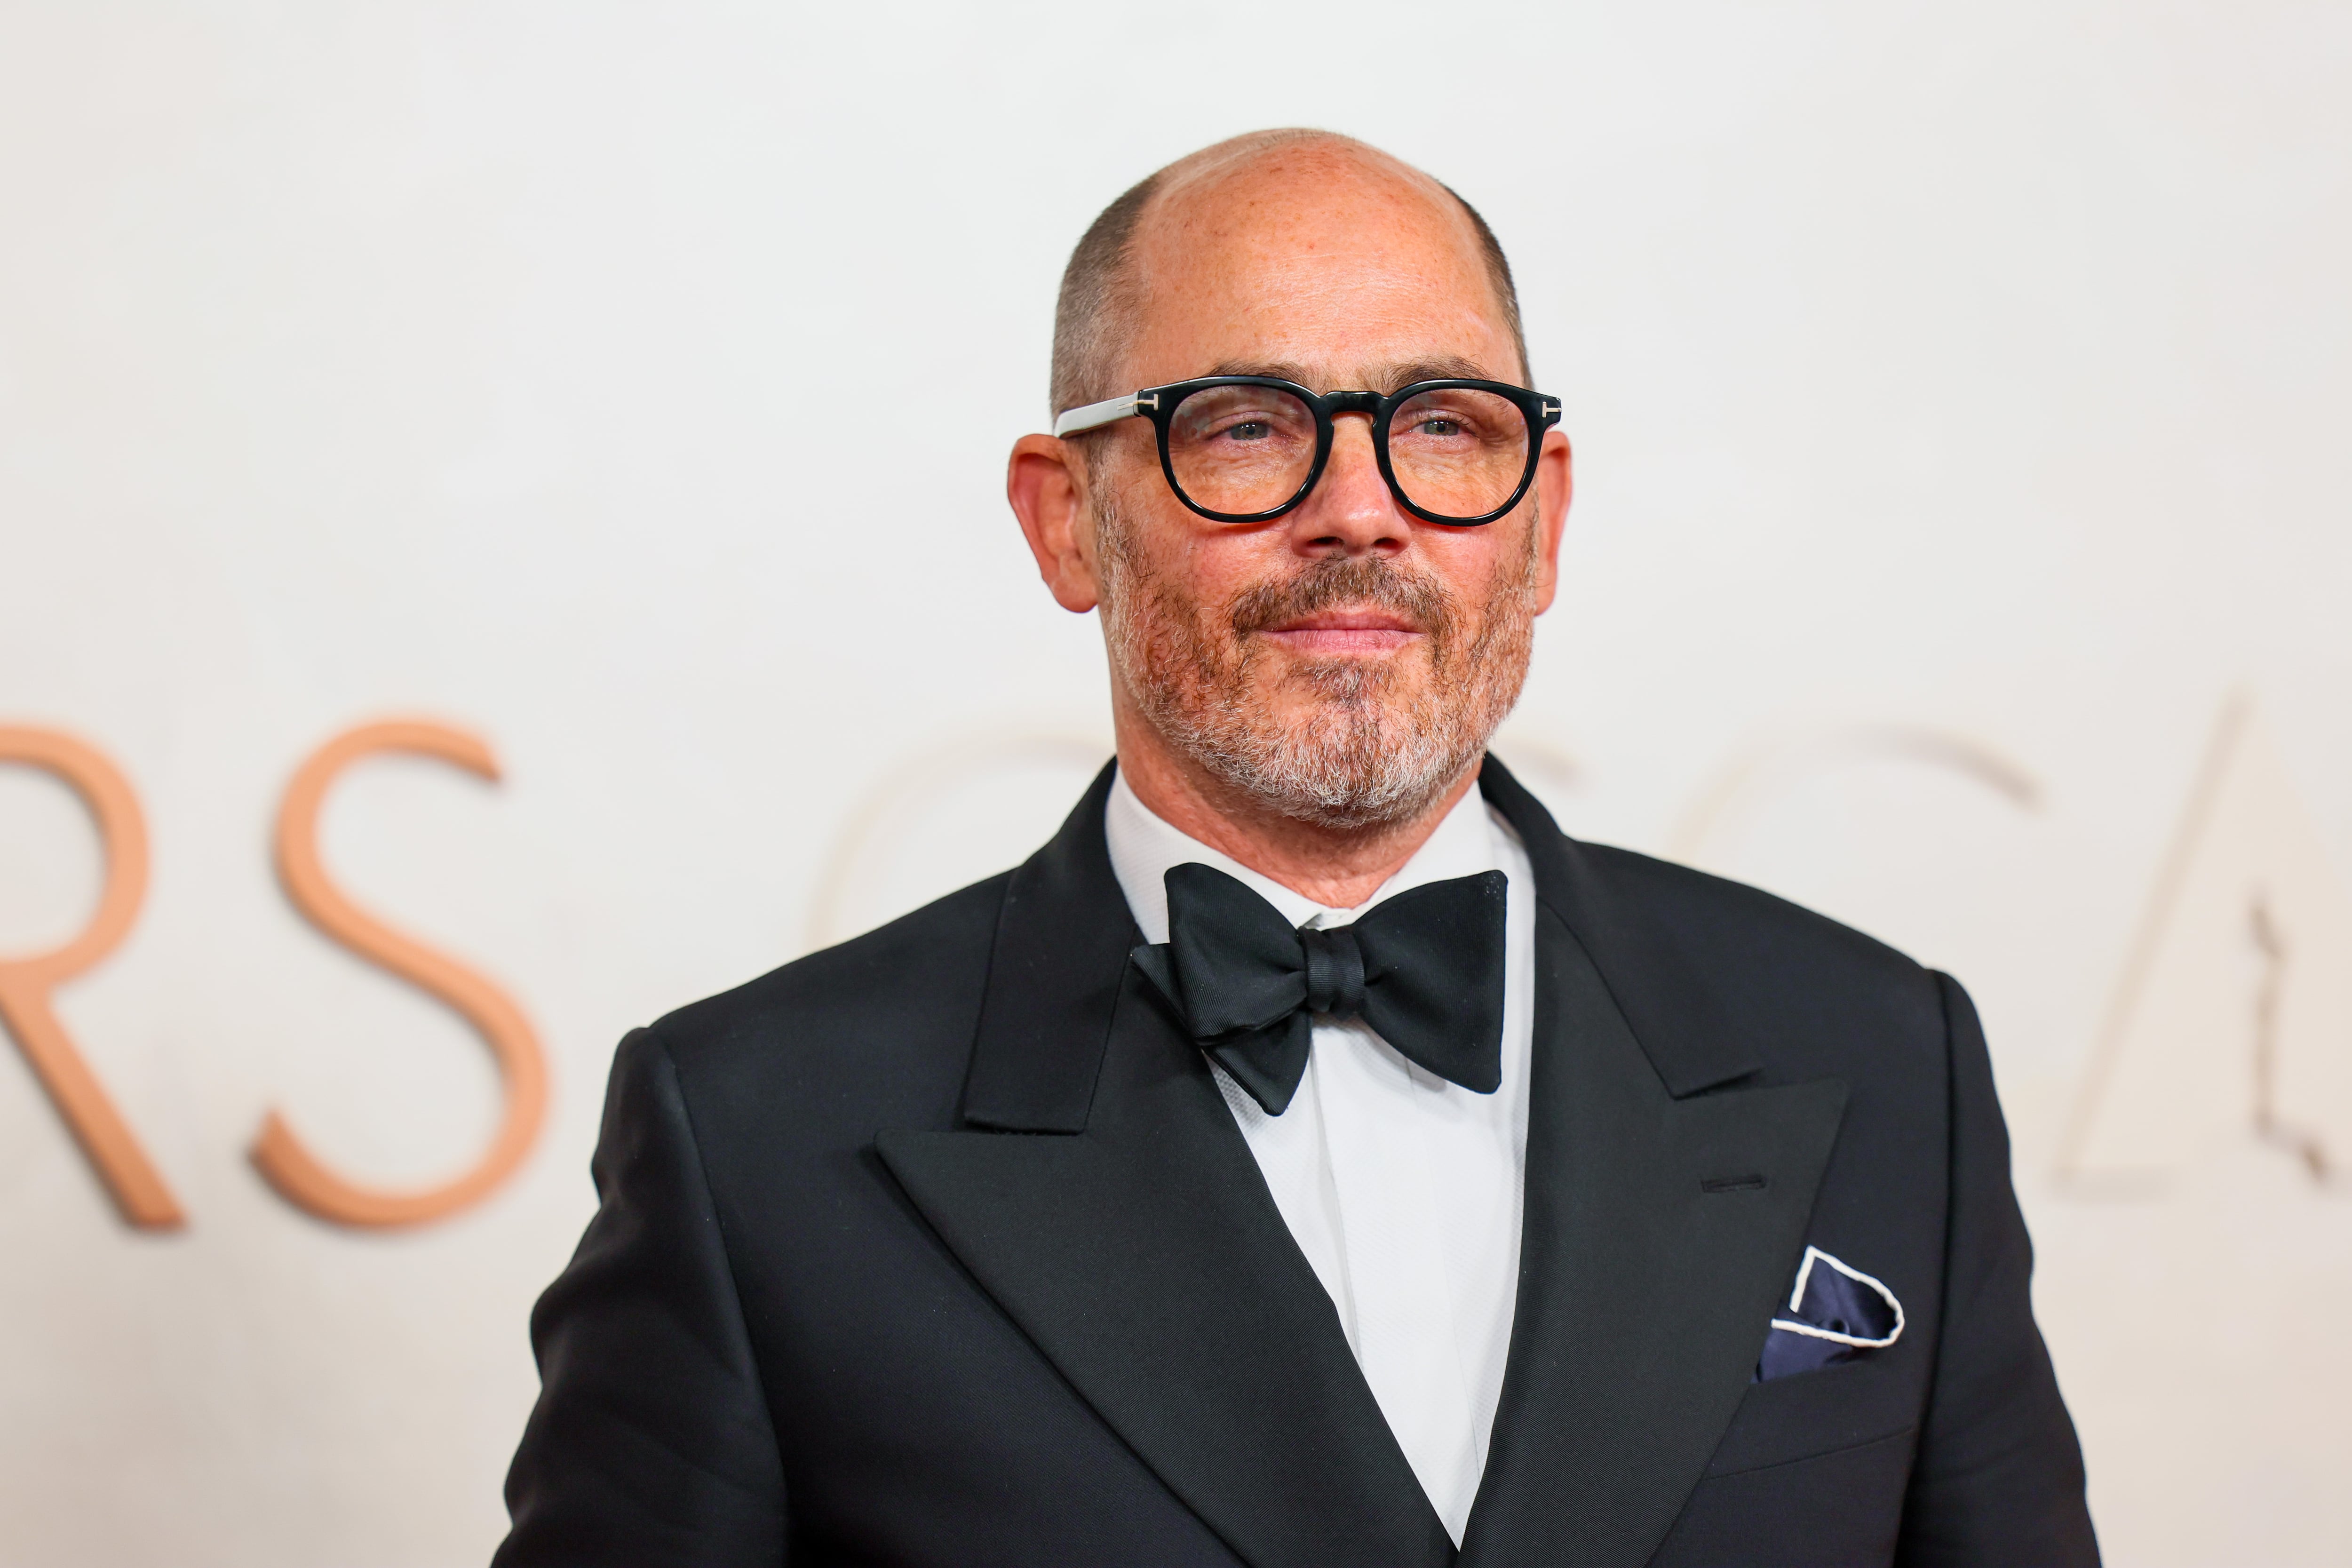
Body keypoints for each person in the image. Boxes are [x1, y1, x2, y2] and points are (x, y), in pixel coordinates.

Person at [492, 130, 2099, 1567]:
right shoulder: (761, 1139)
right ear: (1067, 521)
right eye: (1250, 427)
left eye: (1443, 423)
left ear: (1540, 523)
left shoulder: (1884, 1061)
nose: (1360, 510)